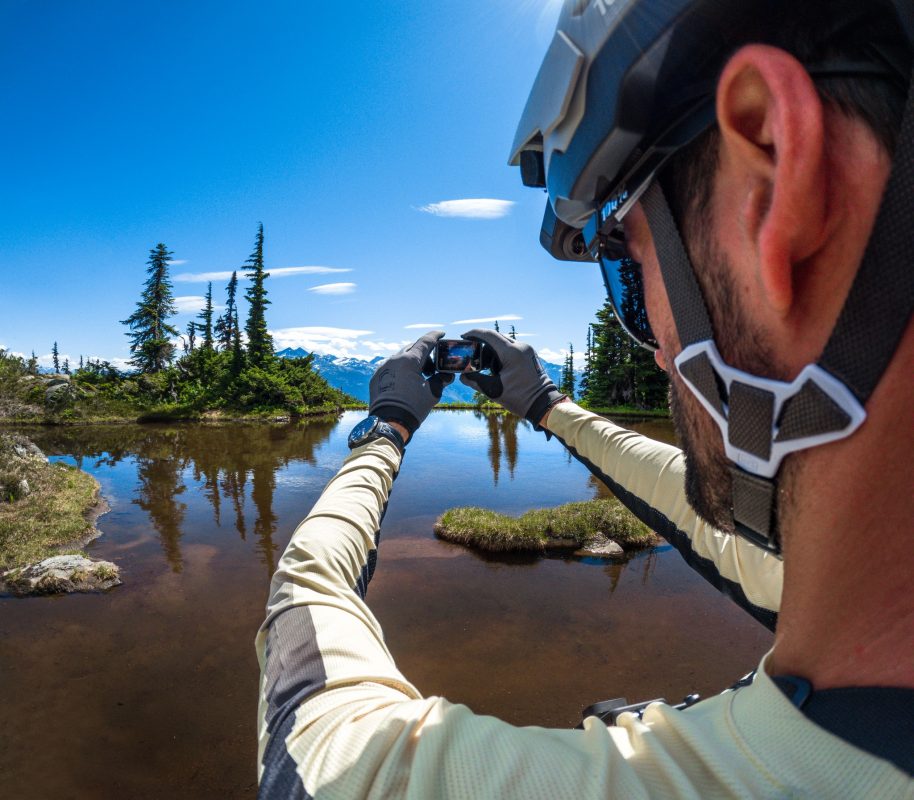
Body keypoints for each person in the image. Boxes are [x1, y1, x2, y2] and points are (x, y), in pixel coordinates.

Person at [256, 0, 914, 796]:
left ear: (774, 185)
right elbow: (719, 536)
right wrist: (545, 407)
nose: (657, 344)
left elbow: (310, 675)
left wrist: (389, 427)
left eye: (623, 264)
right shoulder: (844, 588)